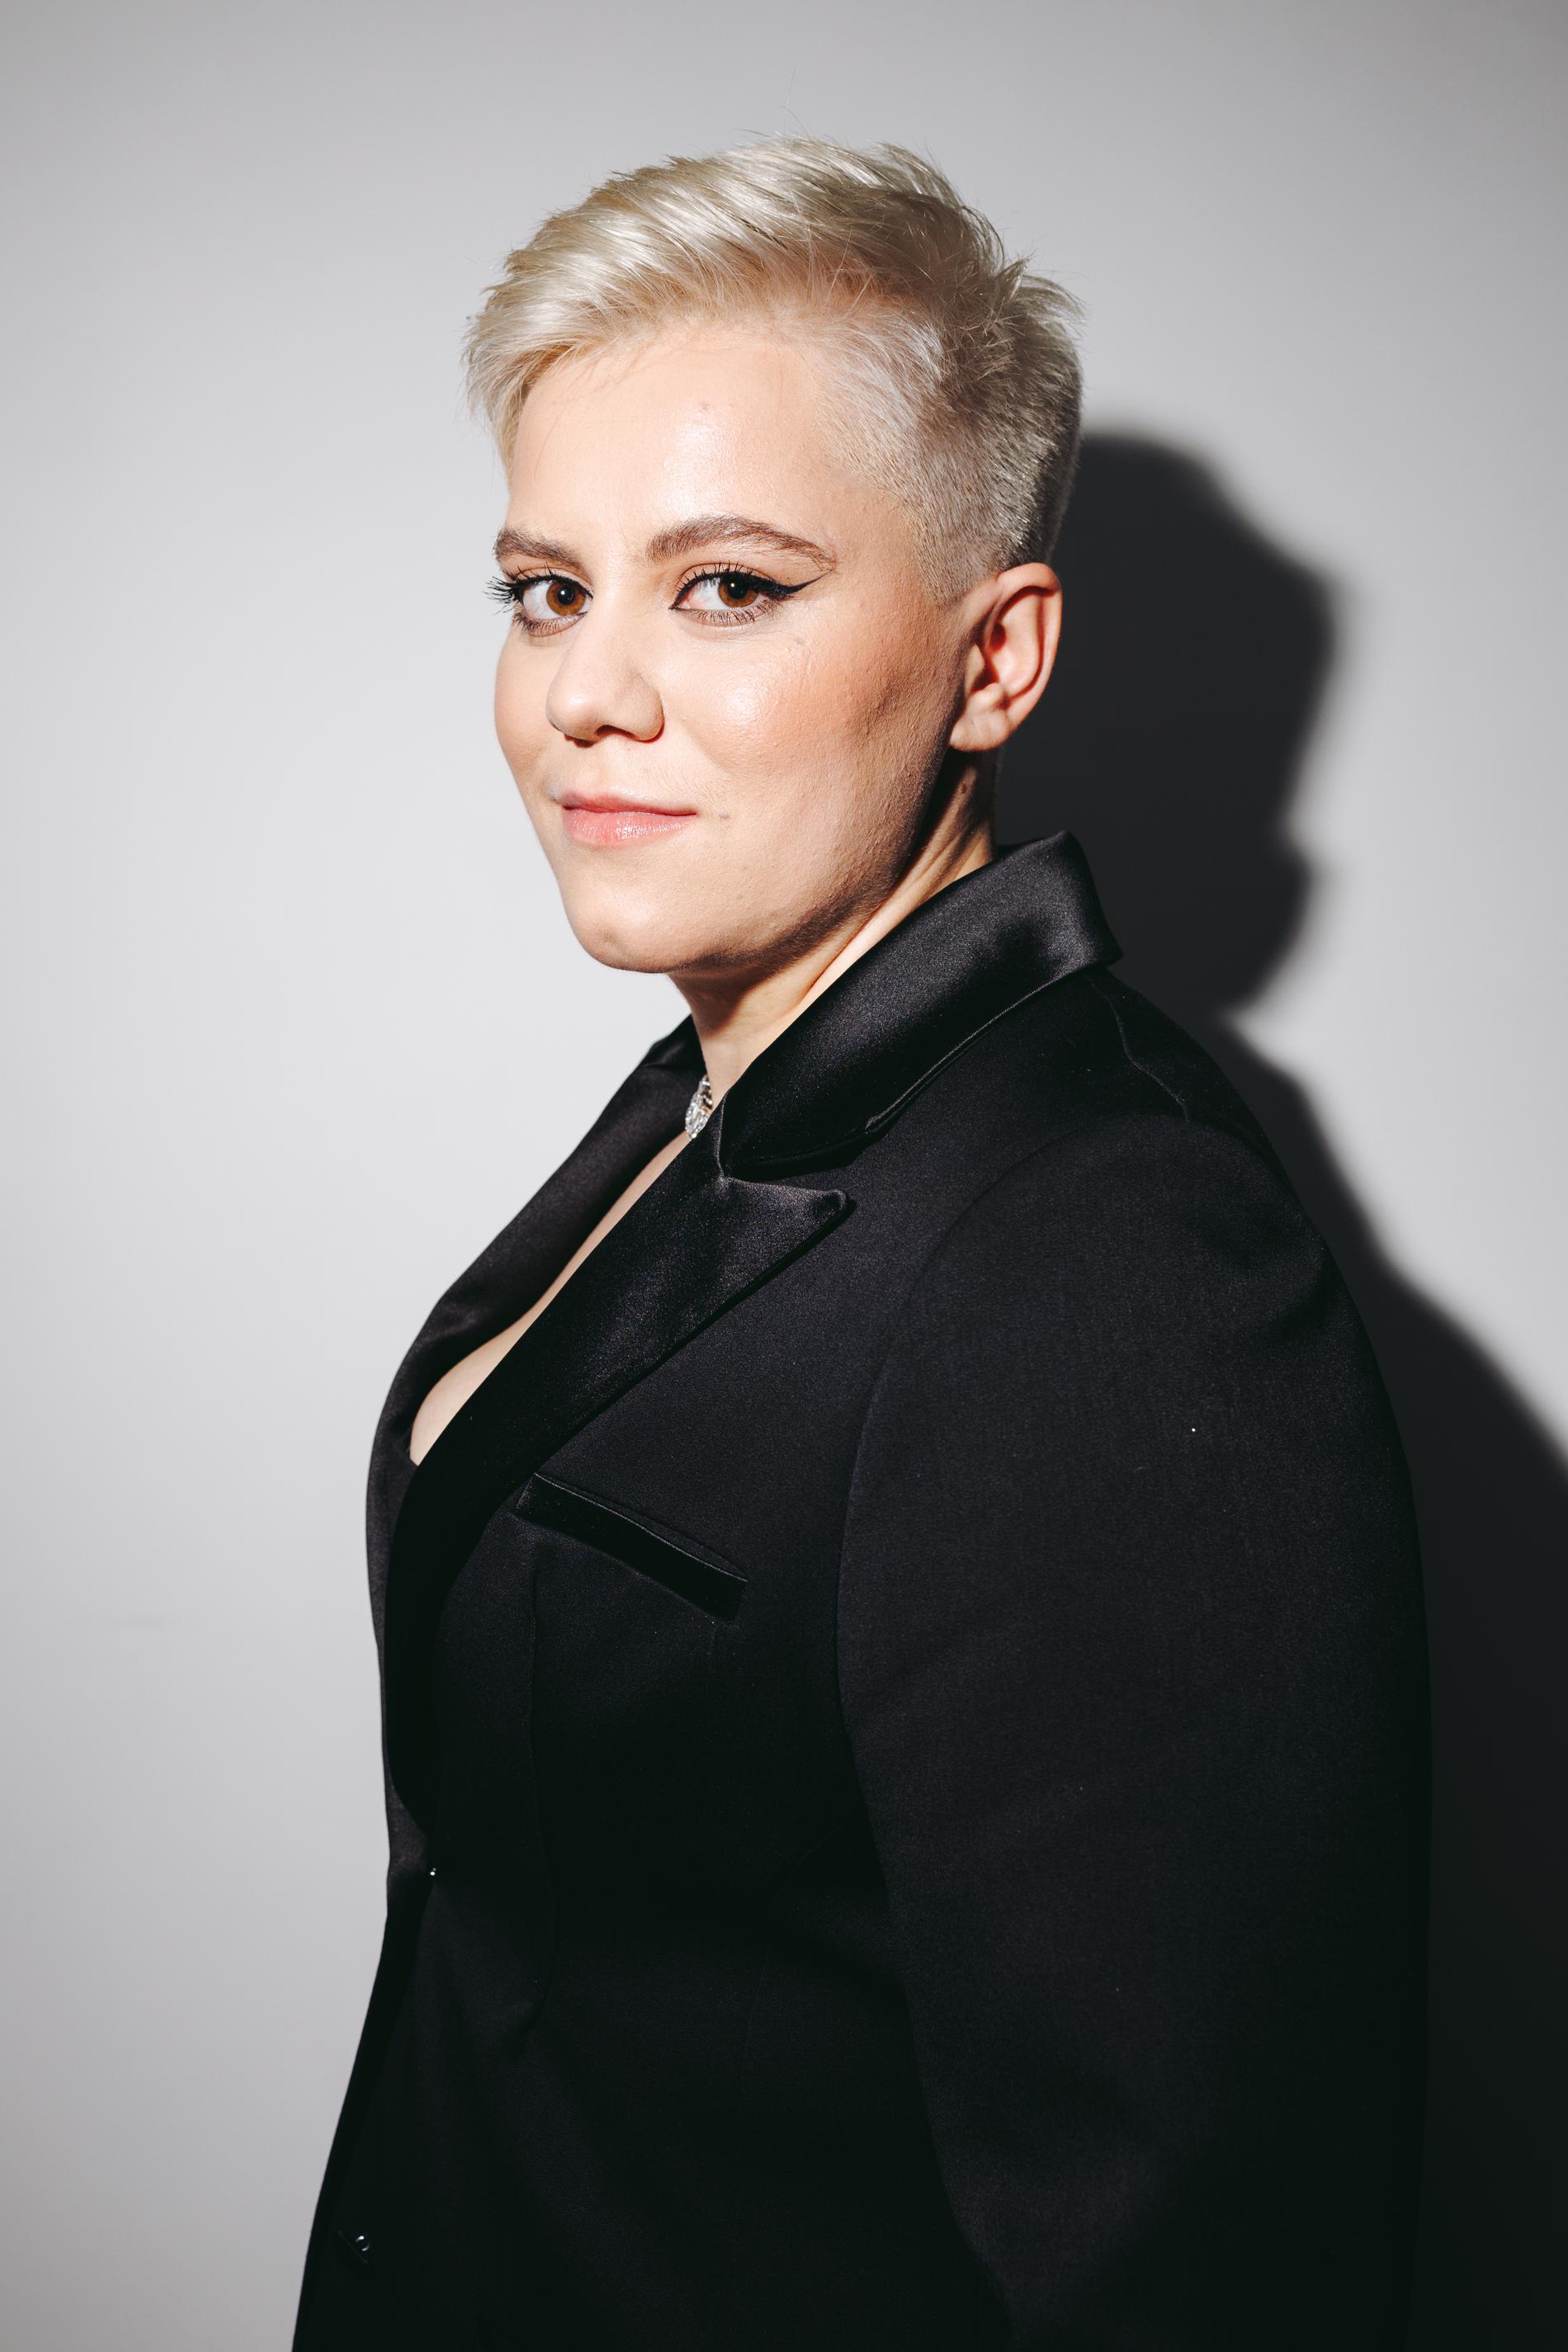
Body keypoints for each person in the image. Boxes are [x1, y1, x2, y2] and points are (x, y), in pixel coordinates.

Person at [290, 139, 1430, 2350]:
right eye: (547, 590)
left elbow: (1196, 2263)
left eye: (727, 587)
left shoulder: (1112, 1266)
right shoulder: (714, 1084)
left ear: (994, 657)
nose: (587, 694)